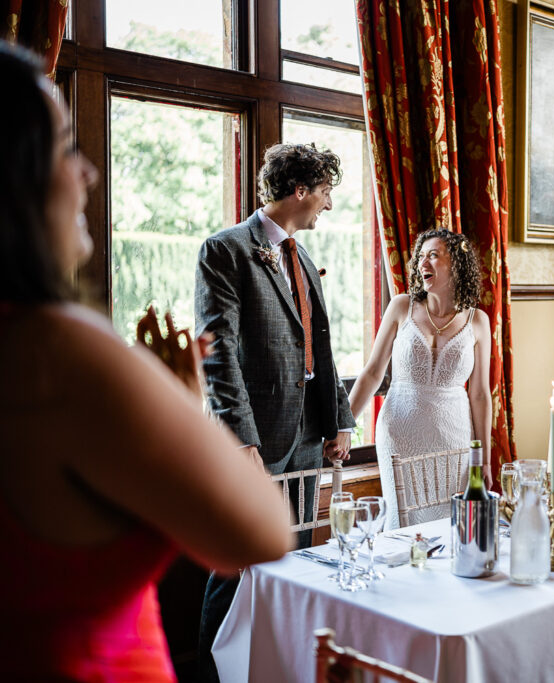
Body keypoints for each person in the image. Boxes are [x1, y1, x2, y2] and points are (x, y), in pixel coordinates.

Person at [0, 43, 291, 682]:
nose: (87, 173)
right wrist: (181, 406)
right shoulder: (56, 352)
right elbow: (261, 531)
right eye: (63, 148)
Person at [194, 142, 357, 681]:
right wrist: (240, 440)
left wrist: (339, 422)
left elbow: (323, 348)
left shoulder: (303, 256)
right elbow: (217, 354)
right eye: (326, 191)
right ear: (300, 191)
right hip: (255, 443)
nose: (329, 204)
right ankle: (211, 673)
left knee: (292, 565)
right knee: (236, 568)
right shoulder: (226, 250)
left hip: (310, 438)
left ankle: (270, 668)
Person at [348, 229, 492, 530]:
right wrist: (345, 424)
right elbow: (373, 372)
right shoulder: (402, 307)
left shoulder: (478, 321)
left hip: (454, 440)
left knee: (453, 527)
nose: (422, 262)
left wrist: (486, 460)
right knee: (402, 526)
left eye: (433, 255)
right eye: (420, 256)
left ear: (456, 264)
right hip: (400, 434)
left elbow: (479, 394)